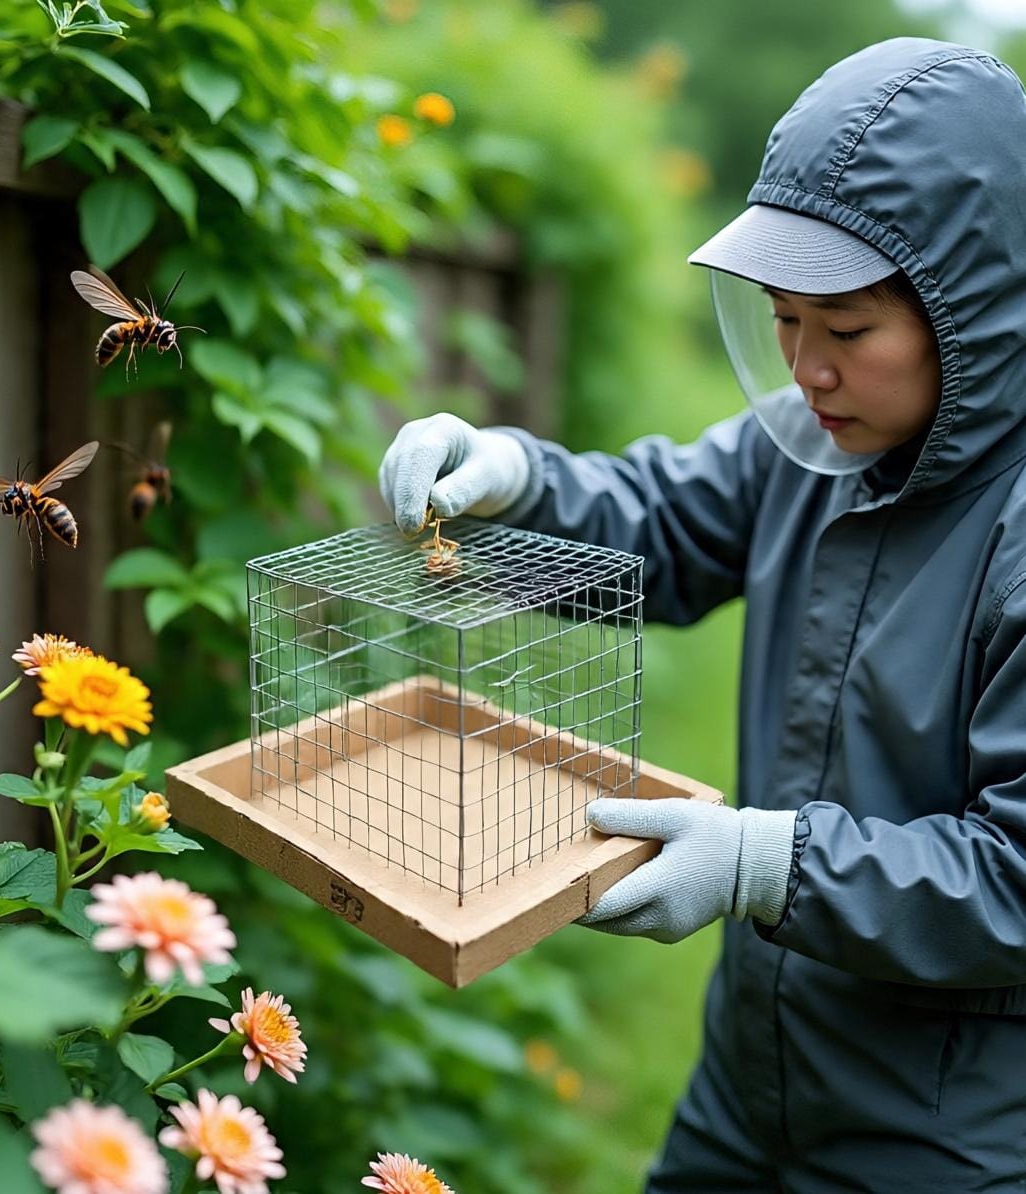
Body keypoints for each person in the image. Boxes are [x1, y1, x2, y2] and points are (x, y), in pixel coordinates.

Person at [379, 37, 1026, 1191]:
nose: (808, 369)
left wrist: (763, 865)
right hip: (751, 1078)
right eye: (784, 319)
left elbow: (1016, 877)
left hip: (944, 1132)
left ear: (973, 306)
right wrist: (515, 477)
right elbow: (665, 519)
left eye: (847, 331)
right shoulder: (816, 443)